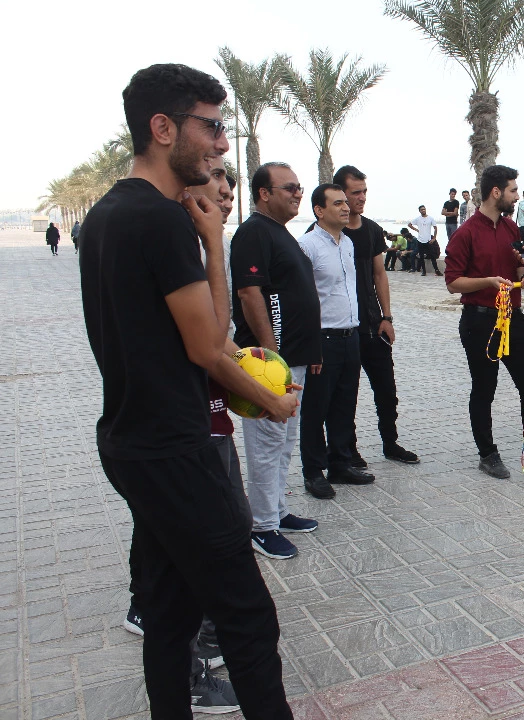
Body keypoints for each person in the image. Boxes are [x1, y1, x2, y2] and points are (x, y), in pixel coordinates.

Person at [79, 63, 295, 719]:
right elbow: (208, 348)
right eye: (212, 126)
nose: (223, 143)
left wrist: (210, 242)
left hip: (130, 442)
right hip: (176, 450)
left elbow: (199, 334)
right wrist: (274, 402)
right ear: (163, 127)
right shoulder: (158, 221)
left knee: (169, 612)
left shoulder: (108, 214)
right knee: (248, 617)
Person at [444, 164, 524, 478]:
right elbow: (453, 282)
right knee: (484, 389)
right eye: (513, 190)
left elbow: (519, 265)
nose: (516, 196)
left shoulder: (512, 228)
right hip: (480, 322)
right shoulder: (465, 233)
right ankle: (488, 454)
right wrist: (488, 282)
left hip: (513, 319)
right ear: (496, 192)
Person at [231, 161, 322, 560]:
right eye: (289, 188)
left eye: (299, 187)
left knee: (283, 442)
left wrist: (309, 352)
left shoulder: (281, 233)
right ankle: (261, 526)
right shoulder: (253, 232)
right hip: (268, 365)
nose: (298, 193)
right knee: (266, 445)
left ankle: (277, 512)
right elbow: (249, 294)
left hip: (292, 361)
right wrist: (272, 359)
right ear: (264, 194)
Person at [334, 165, 420, 466]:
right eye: (355, 192)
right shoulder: (328, 232)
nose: (362, 197)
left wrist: (387, 317)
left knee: (386, 390)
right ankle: (349, 451)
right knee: (346, 395)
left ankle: (390, 443)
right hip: (342, 328)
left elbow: (379, 274)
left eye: (364, 191)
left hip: (373, 325)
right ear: (340, 194)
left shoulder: (371, 230)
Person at [296, 184, 376, 501]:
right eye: (338, 203)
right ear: (319, 210)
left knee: (344, 405)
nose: (346, 207)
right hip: (322, 339)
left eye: (346, 202)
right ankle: (313, 471)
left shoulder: (348, 243)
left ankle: (340, 464)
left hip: (350, 335)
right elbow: (301, 300)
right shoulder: (306, 246)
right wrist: (310, 345)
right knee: (316, 408)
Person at [409, 205, 441, 276]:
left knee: (432, 256)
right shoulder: (418, 219)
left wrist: (434, 238)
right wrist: (416, 230)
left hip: (428, 240)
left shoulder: (430, 218)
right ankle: (424, 271)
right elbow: (410, 224)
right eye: (422, 210)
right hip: (420, 240)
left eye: (424, 209)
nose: (423, 210)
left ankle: (437, 270)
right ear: (419, 211)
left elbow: (435, 228)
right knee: (421, 256)